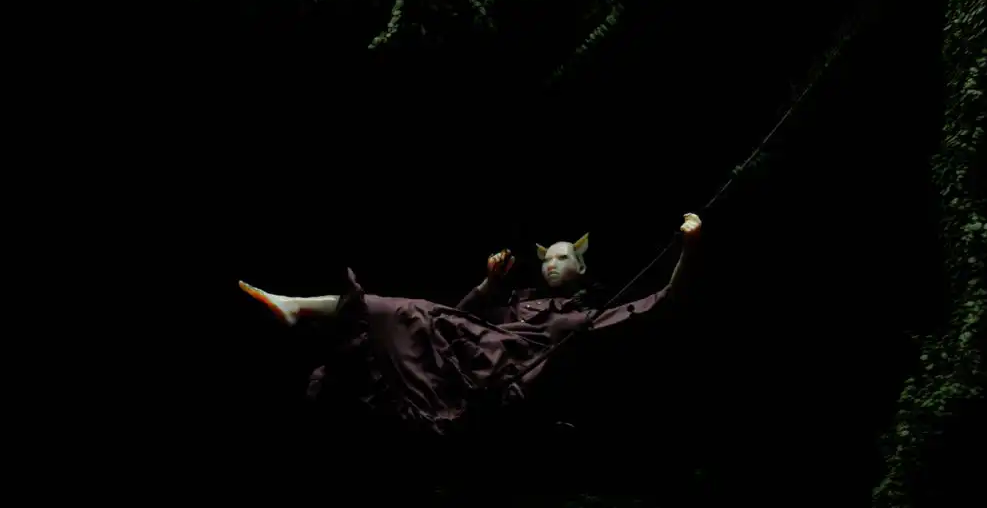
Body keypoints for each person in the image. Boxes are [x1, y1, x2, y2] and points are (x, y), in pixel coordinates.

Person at [238, 214, 702, 437]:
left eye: (564, 258)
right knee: (406, 319)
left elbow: (662, 302)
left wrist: (689, 248)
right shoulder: (518, 305)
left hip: (498, 384)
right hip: (461, 365)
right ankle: (301, 310)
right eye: (548, 258)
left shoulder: (581, 319)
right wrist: (489, 284)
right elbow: (455, 318)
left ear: (581, 266)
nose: (552, 264)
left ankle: (302, 308)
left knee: (405, 314)